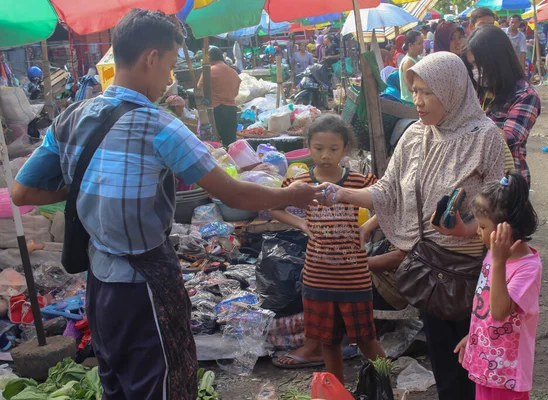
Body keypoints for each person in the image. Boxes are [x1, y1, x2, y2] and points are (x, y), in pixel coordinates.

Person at [10, 10, 322, 399]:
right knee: (161, 386)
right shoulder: (158, 124)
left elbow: (22, 193)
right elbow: (234, 194)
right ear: (151, 58)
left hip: (99, 284)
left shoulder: (71, 117)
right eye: (171, 65)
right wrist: (292, 195)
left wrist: (80, 186)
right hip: (144, 287)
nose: (170, 78)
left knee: (117, 386)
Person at [319, 52, 507, 400]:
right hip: (428, 269)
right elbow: (387, 191)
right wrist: (340, 193)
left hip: (474, 272)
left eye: (427, 92)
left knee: (480, 361)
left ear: (451, 90)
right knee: (445, 361)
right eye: (415, 91)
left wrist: (467, 231)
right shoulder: (414, 137)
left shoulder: (486, 138)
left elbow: (502, 208)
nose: (417, 101)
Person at [270, 114, 386, 384]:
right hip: (317, 278)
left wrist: (366, 228)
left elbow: (386, 202)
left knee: (367, 340)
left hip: (355, 279)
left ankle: (385, 385)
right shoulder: (299, 184)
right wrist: (301, 224)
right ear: (308, 147)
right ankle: (337, 391)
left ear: (345, 149)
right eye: (318, 148)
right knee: (328, 342)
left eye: (333, 149)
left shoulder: (359, 181)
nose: (325, 155)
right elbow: (274, 208)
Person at [455, 171, 541, 400]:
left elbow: (500, 311)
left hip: (508, 373)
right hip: (486, 363)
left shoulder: (526, 267)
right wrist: (474, 335)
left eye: (482, 227)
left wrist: (499, 261)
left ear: (506, 230)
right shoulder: (495, 255)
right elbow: (484, 309)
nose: (477, 231)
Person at [465, 26, 541, 187]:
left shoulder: (526, 96)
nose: (475, 71)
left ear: (497, 61)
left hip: (506, 185)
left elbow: (510, 138)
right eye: (472, 65)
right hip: (475, 179)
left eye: (478, 64)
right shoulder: (479, 90)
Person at [197, 46, 241, 147]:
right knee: (231, 144)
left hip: (216, 111)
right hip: (231, 110)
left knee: (216, 145)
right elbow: (235, 93)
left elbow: (199, 90)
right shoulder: (233, 72)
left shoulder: (209, 71)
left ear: (210, 59)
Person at [399, 31, 423, 105]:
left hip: (418, 98)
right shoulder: (408, 62)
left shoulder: (418, 57)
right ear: (410, 45)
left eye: (422, 42)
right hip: (411, 102)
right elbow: (410, 86)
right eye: (419, 43)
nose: (422, 46)